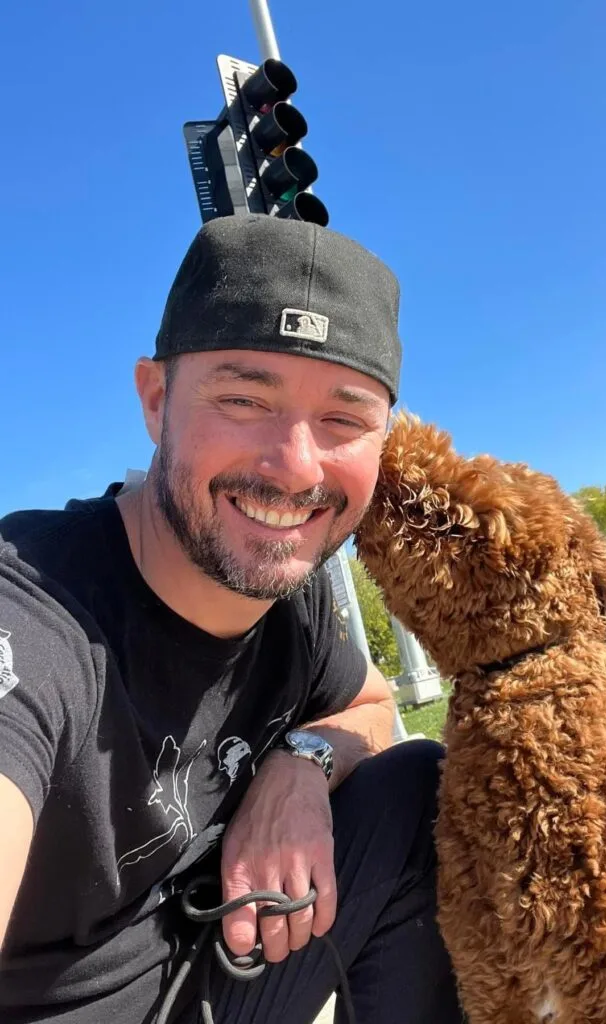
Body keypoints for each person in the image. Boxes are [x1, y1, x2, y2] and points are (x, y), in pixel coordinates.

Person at [0, 215, 464, 1024]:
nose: (294, 466)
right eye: (244, 399)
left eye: (344, 419)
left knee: (416, 786)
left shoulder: (294, 601)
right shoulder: (36, 612)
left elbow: (369, 704)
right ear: (156, 401)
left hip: (212, 980)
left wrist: (300, 767)